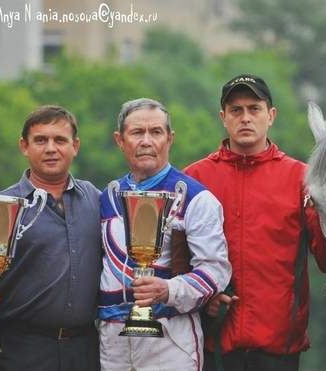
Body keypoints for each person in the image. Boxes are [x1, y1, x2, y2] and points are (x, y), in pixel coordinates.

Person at [183, 74, 326, 371]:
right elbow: (174, 261)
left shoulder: (302, 179)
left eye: (254, 108)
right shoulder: (194, 179)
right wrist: (199, 298)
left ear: (271, 115)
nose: (245, 118)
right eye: (236, 110)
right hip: (212, 342)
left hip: (279, 347)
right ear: (223, 118)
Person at [98, 98, 232, 370]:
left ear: (169, 139)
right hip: (112, 340)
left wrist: (167, 289)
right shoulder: (107, 198)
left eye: (156, 132)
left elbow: (215, 272)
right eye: (137, 133)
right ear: (120, 140)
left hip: (170, 336)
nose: (146, 141)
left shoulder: (196, 198)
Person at [0, 105, 103, 371]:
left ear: (75, 146)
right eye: (40, 140)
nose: (51, 148)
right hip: (22, 350)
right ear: (24, 146)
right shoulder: (1, 206)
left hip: (85, 349)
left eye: (60, 140)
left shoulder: (95, 199)